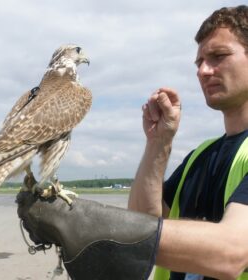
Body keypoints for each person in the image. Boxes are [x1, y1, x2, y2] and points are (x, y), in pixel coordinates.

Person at [17, 5, 248, 280]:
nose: (203, 71)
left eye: (218, 56)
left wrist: (88, 226)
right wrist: (158, 143)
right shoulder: (201, 156)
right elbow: (143, 221)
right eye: (199, 63)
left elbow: (231, 253)